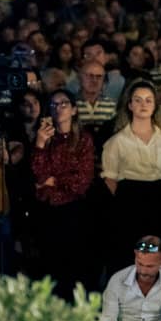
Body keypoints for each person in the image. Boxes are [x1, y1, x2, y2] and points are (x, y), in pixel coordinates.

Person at [101, 80, 161, 271]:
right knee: (127, 256)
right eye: (138, 100)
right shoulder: (116, 142)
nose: (143, 104)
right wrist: (125, 201)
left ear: (155, 105)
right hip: (128, 202)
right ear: (130, 105)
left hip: (158, 201)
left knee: (155, 256)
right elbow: (110, 179)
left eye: (148, 100)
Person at [31, 89, 95, 300]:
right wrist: (40, 144)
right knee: (50, 269)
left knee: (74, 268)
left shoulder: (83, 140)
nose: (58, 109)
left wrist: (54, 181)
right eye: (54, 105)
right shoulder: (46, 138)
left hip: (74, 211)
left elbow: (82, 181)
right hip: (48, 211)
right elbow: (39, 176)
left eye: (64, 104)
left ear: (74, 109)